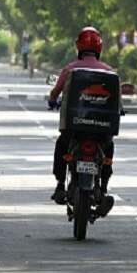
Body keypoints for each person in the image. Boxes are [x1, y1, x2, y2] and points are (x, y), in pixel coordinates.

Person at [48, 27, 115, 205]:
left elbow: (56, 91)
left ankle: (61, 185)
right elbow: (117, 100)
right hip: (101, 131)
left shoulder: (71, 69)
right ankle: (103, 188)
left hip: (74, 128)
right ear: (99, 48)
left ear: (79, 47)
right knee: (108, 148)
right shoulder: (109, 72)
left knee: (62, 146)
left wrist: (52, 100)